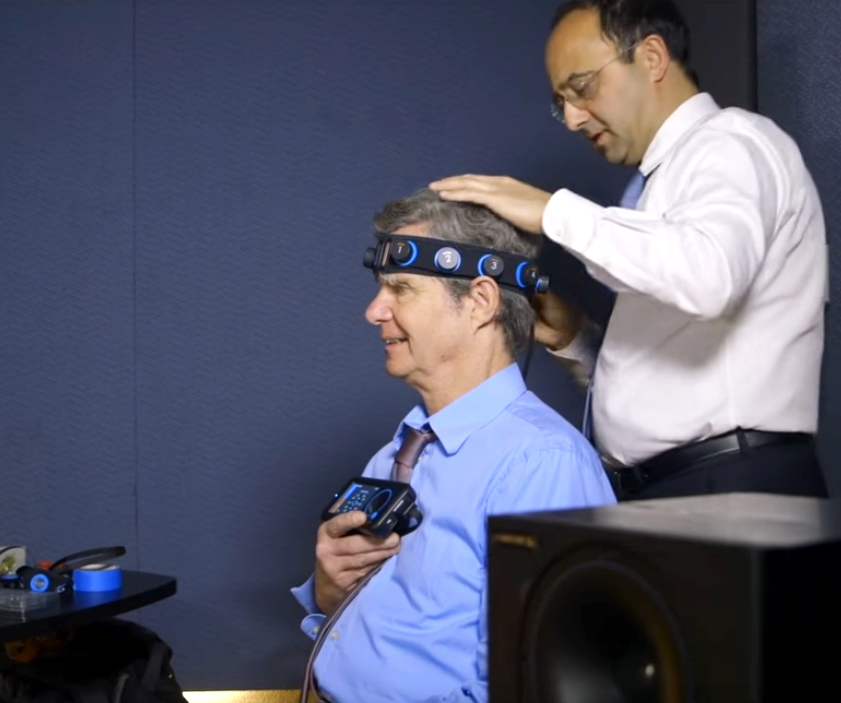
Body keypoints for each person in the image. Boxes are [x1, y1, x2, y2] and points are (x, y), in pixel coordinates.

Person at [430, 0, 828, 500]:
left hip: (729, 488)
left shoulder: (733, 143)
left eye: (582, 87)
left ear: (653, 58)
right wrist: (577, 339)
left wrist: (553, 211)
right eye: (562, 103)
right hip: (674, 490)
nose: (572, 118)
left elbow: (709, 278)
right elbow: (673, 377)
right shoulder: (656, 190)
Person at [291, 189, 616, 703]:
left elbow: (536, 684)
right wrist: (330, 593)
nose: (374, 310)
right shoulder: (396, 455)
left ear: (481, 302)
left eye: (400, 289)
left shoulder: (541, 465)